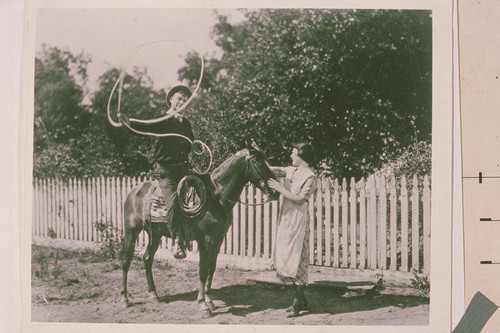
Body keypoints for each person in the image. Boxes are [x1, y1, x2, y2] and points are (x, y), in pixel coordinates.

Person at [119, 84, 195, 260]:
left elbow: (192, 143)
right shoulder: (164, 120)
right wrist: (128, 121)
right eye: (179, 98)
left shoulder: (186, 124)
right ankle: (177, 240)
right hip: (167, 173)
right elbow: (145, 127)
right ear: (171, 100)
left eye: (185, 100)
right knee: (174, 202)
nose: (182, 101)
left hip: (183, 170)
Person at [268, 143, 317, 318]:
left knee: (299, 259)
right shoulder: (291, 170)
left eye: (294, 153)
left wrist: (280, 188)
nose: (291, 156)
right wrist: (255, 151)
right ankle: (301, 298)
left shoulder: (310, 176)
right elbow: (273, 169)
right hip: (287, 219)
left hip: (299, 221)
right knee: (287, 257)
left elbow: (300, 199)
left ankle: (297, 302)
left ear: (302, 156)